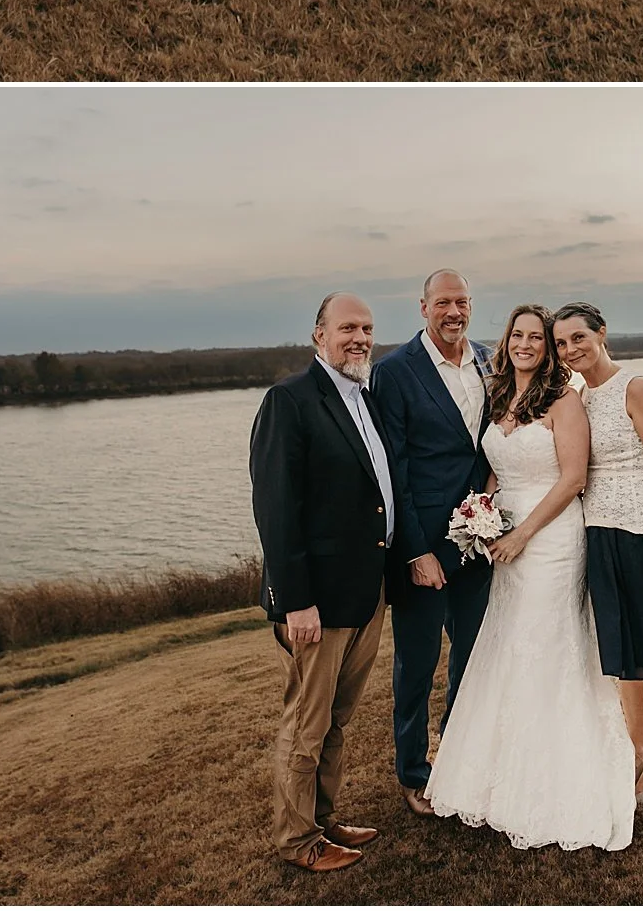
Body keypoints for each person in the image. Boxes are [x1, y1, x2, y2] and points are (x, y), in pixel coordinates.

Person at [425, 304, 635, 852]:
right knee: (508, 645)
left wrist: (523, 534)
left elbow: (572, 479)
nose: (524, 344)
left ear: (547, 348)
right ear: (507, 341)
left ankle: (555, 786)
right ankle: (494, 781)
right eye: (516, 335)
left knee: (547, 647)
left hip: (552, 537)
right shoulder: (500, 397)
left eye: (536, 338)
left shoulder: (563, 401)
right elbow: (498, 467)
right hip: (506, 535)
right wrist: (482, 513)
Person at [248, 296, 394, 874]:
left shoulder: (365, 397)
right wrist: (296, 599)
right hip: (318, 600)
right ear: (319, 335)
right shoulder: (289, 400)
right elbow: (276, 508)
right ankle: (295, 839)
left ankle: (324, 819)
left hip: (367, 590)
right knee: (306, 723)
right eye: (347, 328)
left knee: (336, 718)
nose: (359, 338)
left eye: (367, 329)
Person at [552, 300, 643, 806]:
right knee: (624, 655)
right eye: (561, 343)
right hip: (601, 539)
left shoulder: (636, 388)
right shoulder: (576, 399)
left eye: (578, 337)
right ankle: (638, 749)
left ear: (601, 333)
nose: (570, 349)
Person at [368, 269, 494, 815]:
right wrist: (416, 550)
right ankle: (413, 771)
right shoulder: (394, 372)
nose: (454, 311)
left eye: (462, 301)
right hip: (423, 545)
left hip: (480, 537)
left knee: (474, 655)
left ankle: (460, 753)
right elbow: (393, 469)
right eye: (443, 302)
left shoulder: (491, 359)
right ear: (422, 308)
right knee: (417, 664)